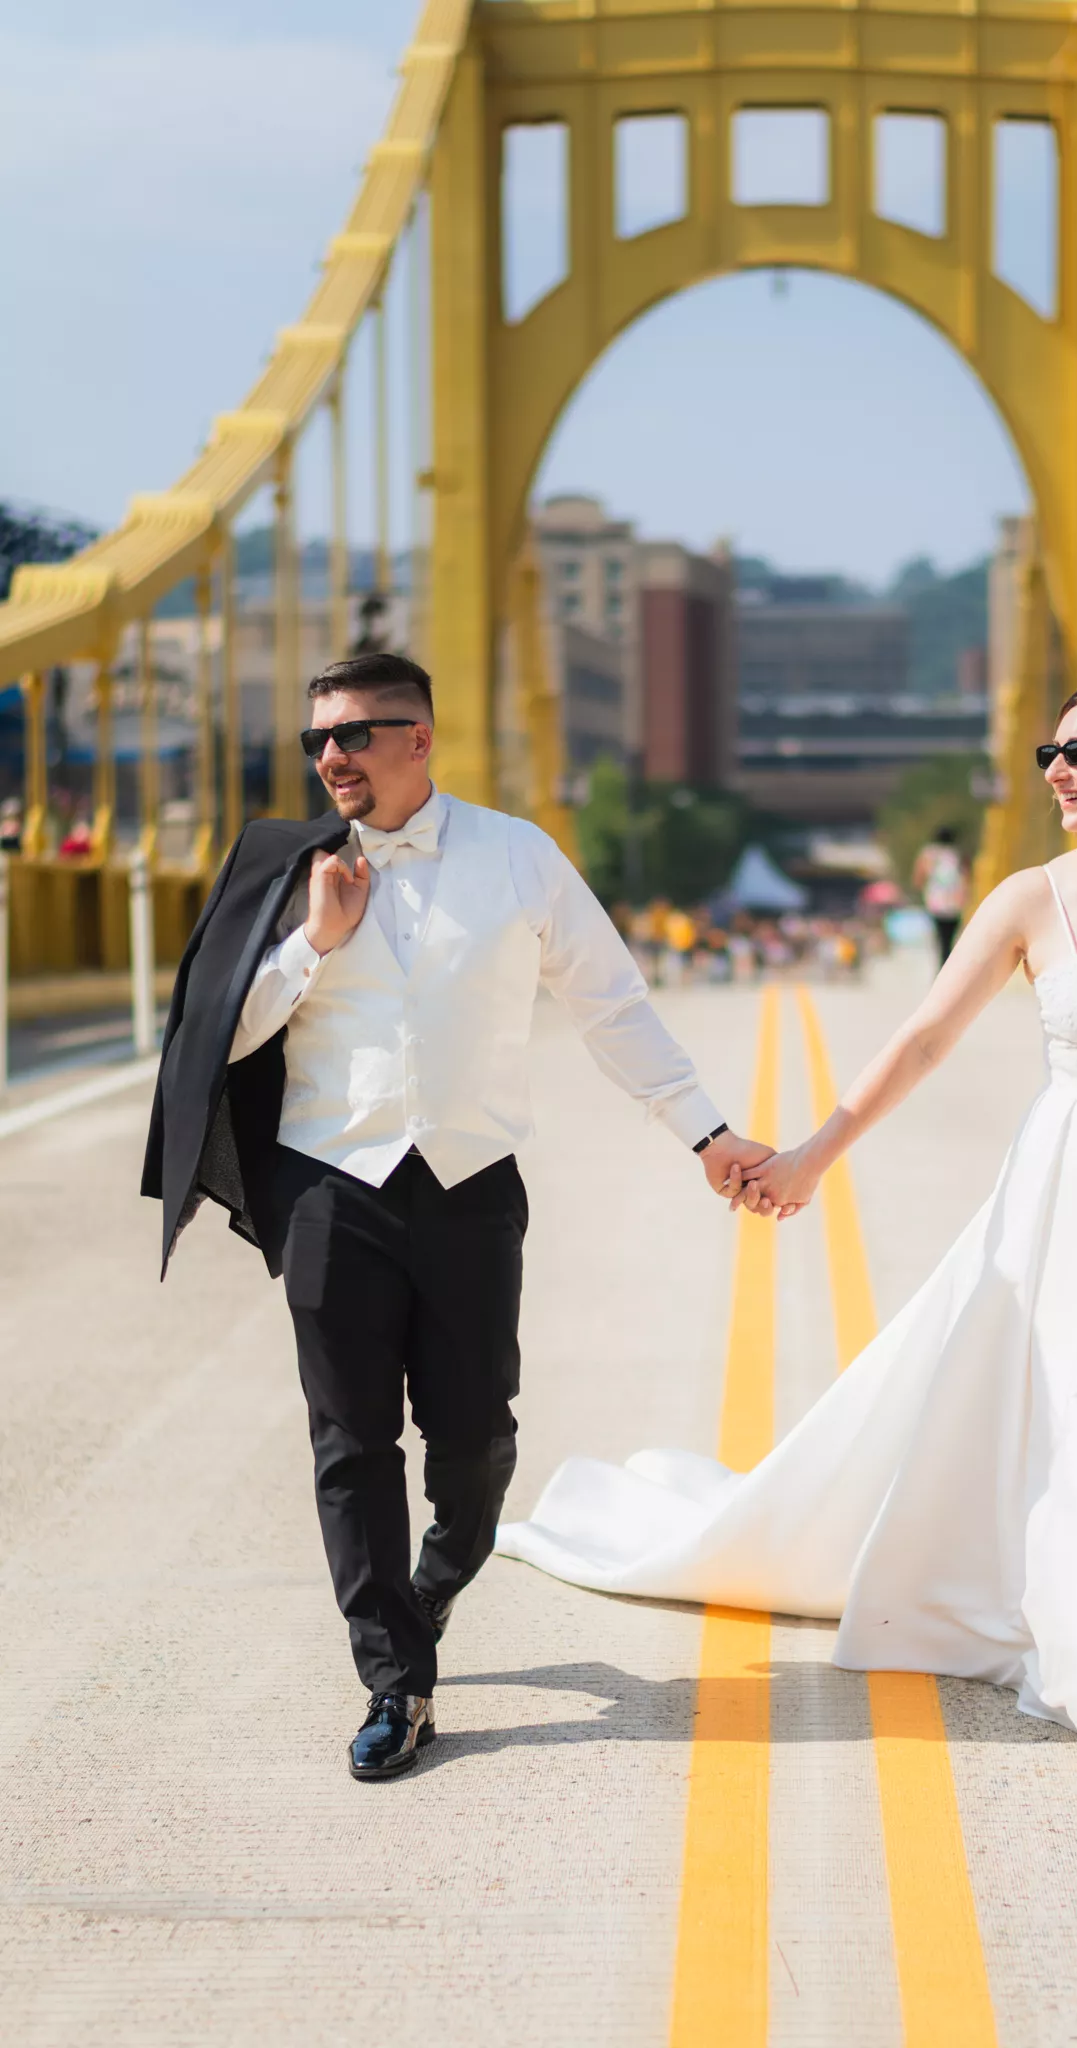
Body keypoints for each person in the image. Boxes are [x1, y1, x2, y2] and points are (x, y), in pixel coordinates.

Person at [498, 681, 1077, 1794]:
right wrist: (811, 1152)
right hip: (1076, 1202)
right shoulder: (1026, 900)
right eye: (1048, 749)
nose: (1054, 768)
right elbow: (924, 1037)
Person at [141, 652, 771, 1782]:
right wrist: (310, 947)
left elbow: (612, 1003)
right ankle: (396, 1678)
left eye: (356, 734)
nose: (331, 757)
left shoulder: (518, 856)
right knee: (351, 1440)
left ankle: (439, 1574)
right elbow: (210, 1043)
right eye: (316, 739)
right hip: (330, 1184)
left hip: (472, 1186)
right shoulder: (284, 869)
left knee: (477, 1437)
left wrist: (706, 1133)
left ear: (419, 737)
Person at [913, 825, 969, 967]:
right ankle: (946, 964)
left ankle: (942, 967)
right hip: (954, 902)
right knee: (950, 938)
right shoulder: (957, 854)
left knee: (940, 937)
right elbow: (965, 876)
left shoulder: (928, 854)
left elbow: (919, 877)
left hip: (936, 901)